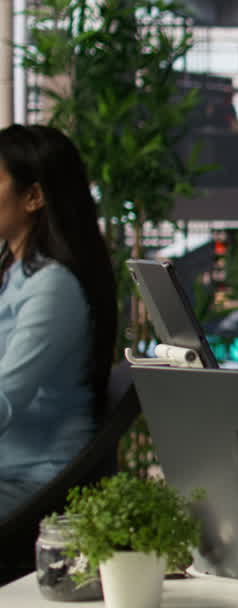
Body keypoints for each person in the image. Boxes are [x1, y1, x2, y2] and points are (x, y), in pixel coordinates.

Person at [0, 125, 117, 516]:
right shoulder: (14, 273)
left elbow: (4, 398)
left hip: (32, 483)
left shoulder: (52, 287)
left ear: (33, 196)